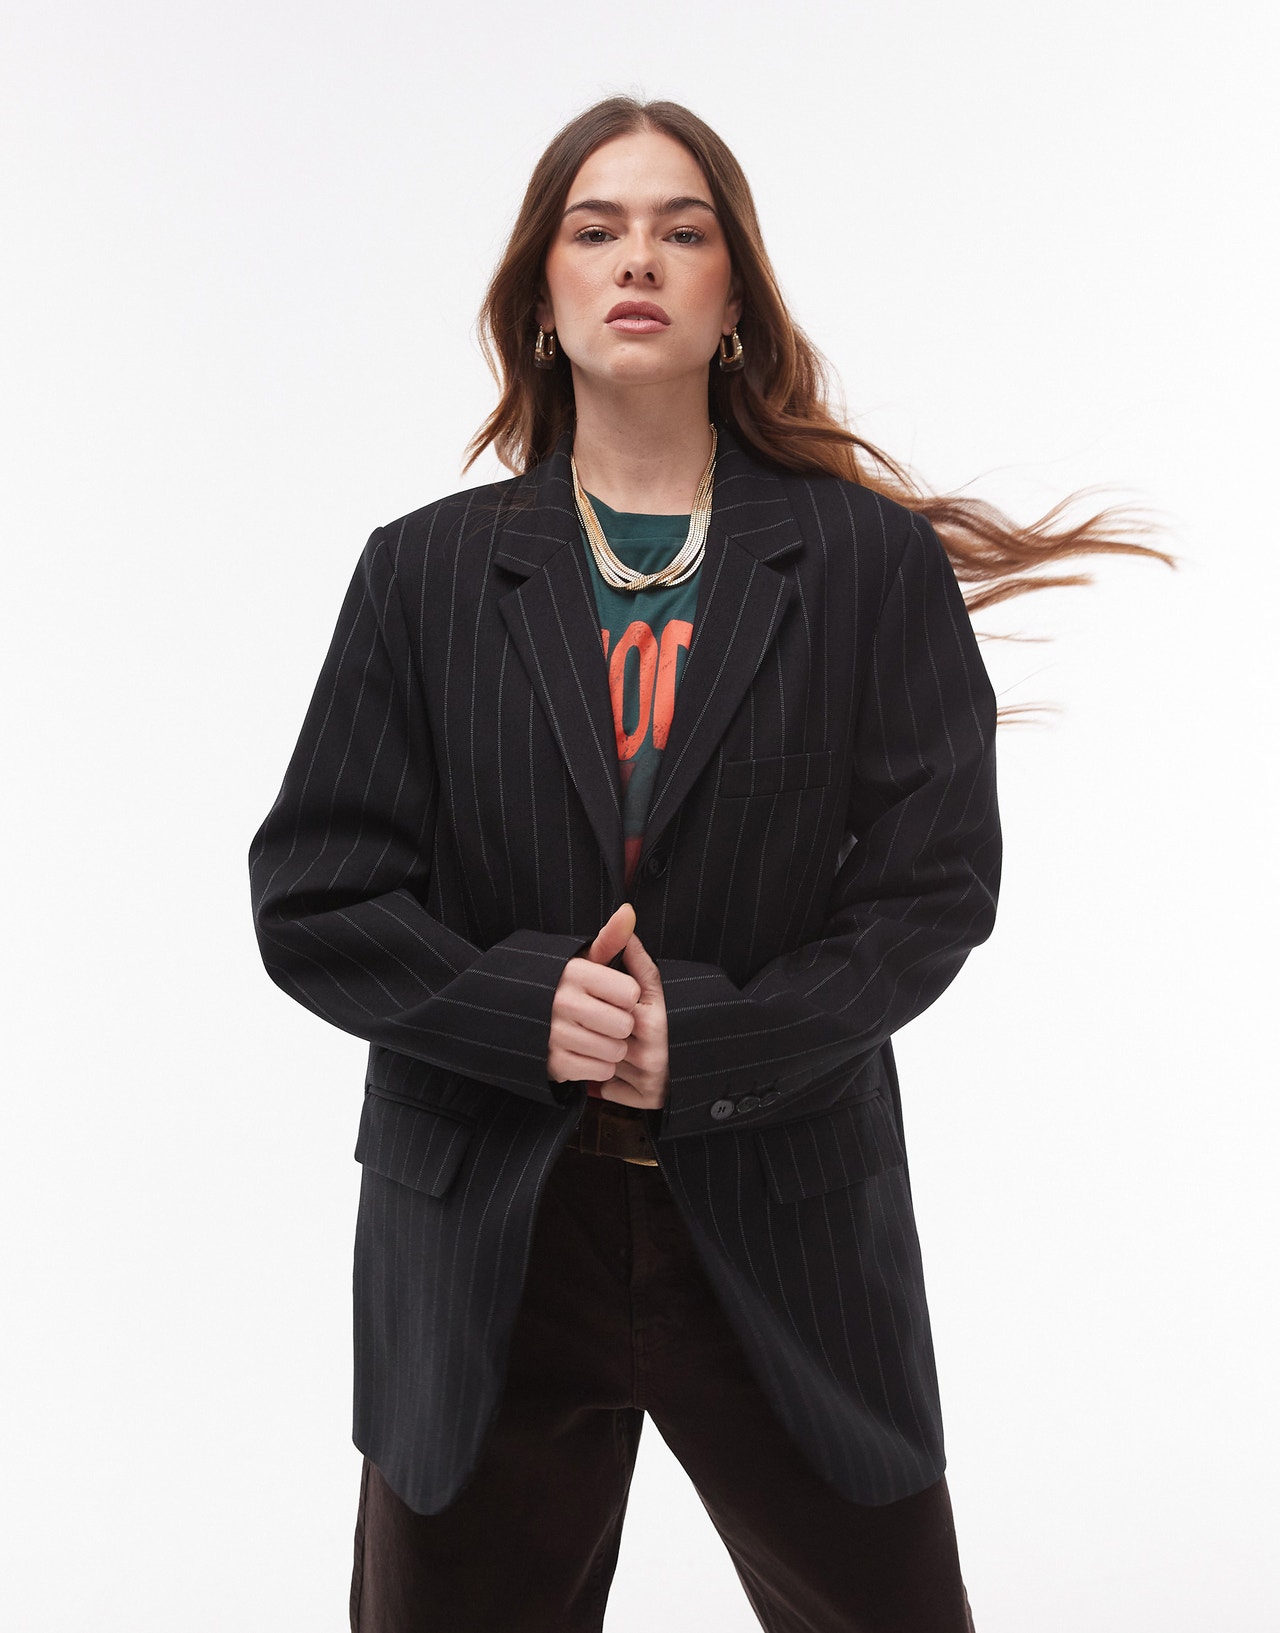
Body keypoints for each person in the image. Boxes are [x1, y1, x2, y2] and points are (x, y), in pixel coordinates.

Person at [249, 96, 1165, 1633]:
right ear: (539, 297)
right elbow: (314, 894)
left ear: (734, 294)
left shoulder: (866, 563)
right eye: (596, 229)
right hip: (486, 1234)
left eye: (683, 231)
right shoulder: (422, 572)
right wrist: (521, 1006)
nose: (639, 259)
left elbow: (933, 888)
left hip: (783, 1214)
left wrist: (719, 1033)